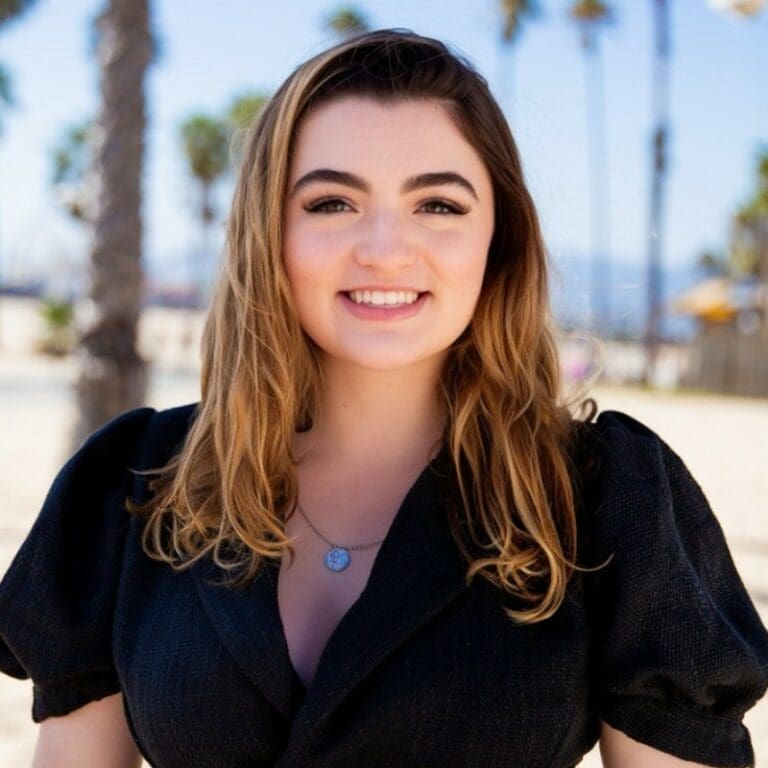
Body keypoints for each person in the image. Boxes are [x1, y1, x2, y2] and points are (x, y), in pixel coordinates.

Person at [1, 29, 767, 768]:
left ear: (498, 239)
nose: (385, 248)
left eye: (438, 205)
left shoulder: (606, 495)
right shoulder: (133, 486)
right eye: (331, 203)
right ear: (269, 233)